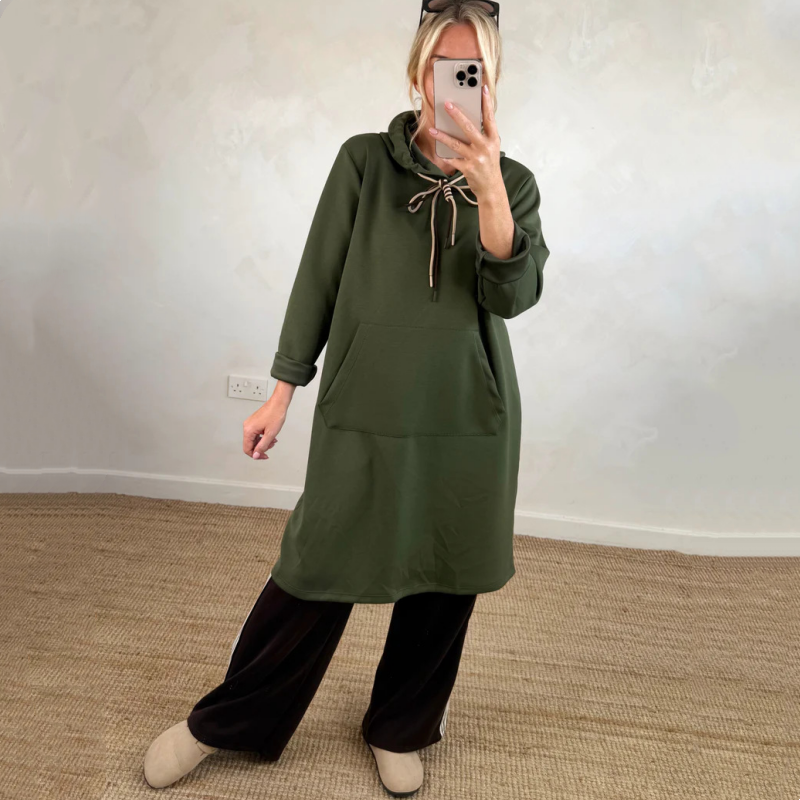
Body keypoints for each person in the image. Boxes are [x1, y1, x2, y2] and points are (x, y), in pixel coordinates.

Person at [143, 1, 549, 796]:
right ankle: (226, 723)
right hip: (363, 404)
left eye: (471, 71)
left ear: (492, 80)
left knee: (445, 571)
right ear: (418, 71)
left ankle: (401, 726)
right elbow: (318, 277)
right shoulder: (363, 162)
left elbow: (513, 296)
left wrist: (490, 192)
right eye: (443, 66)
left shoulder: (516, 183)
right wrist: (282, 391)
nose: (453, 84)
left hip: (469, 415)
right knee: (317, 565)